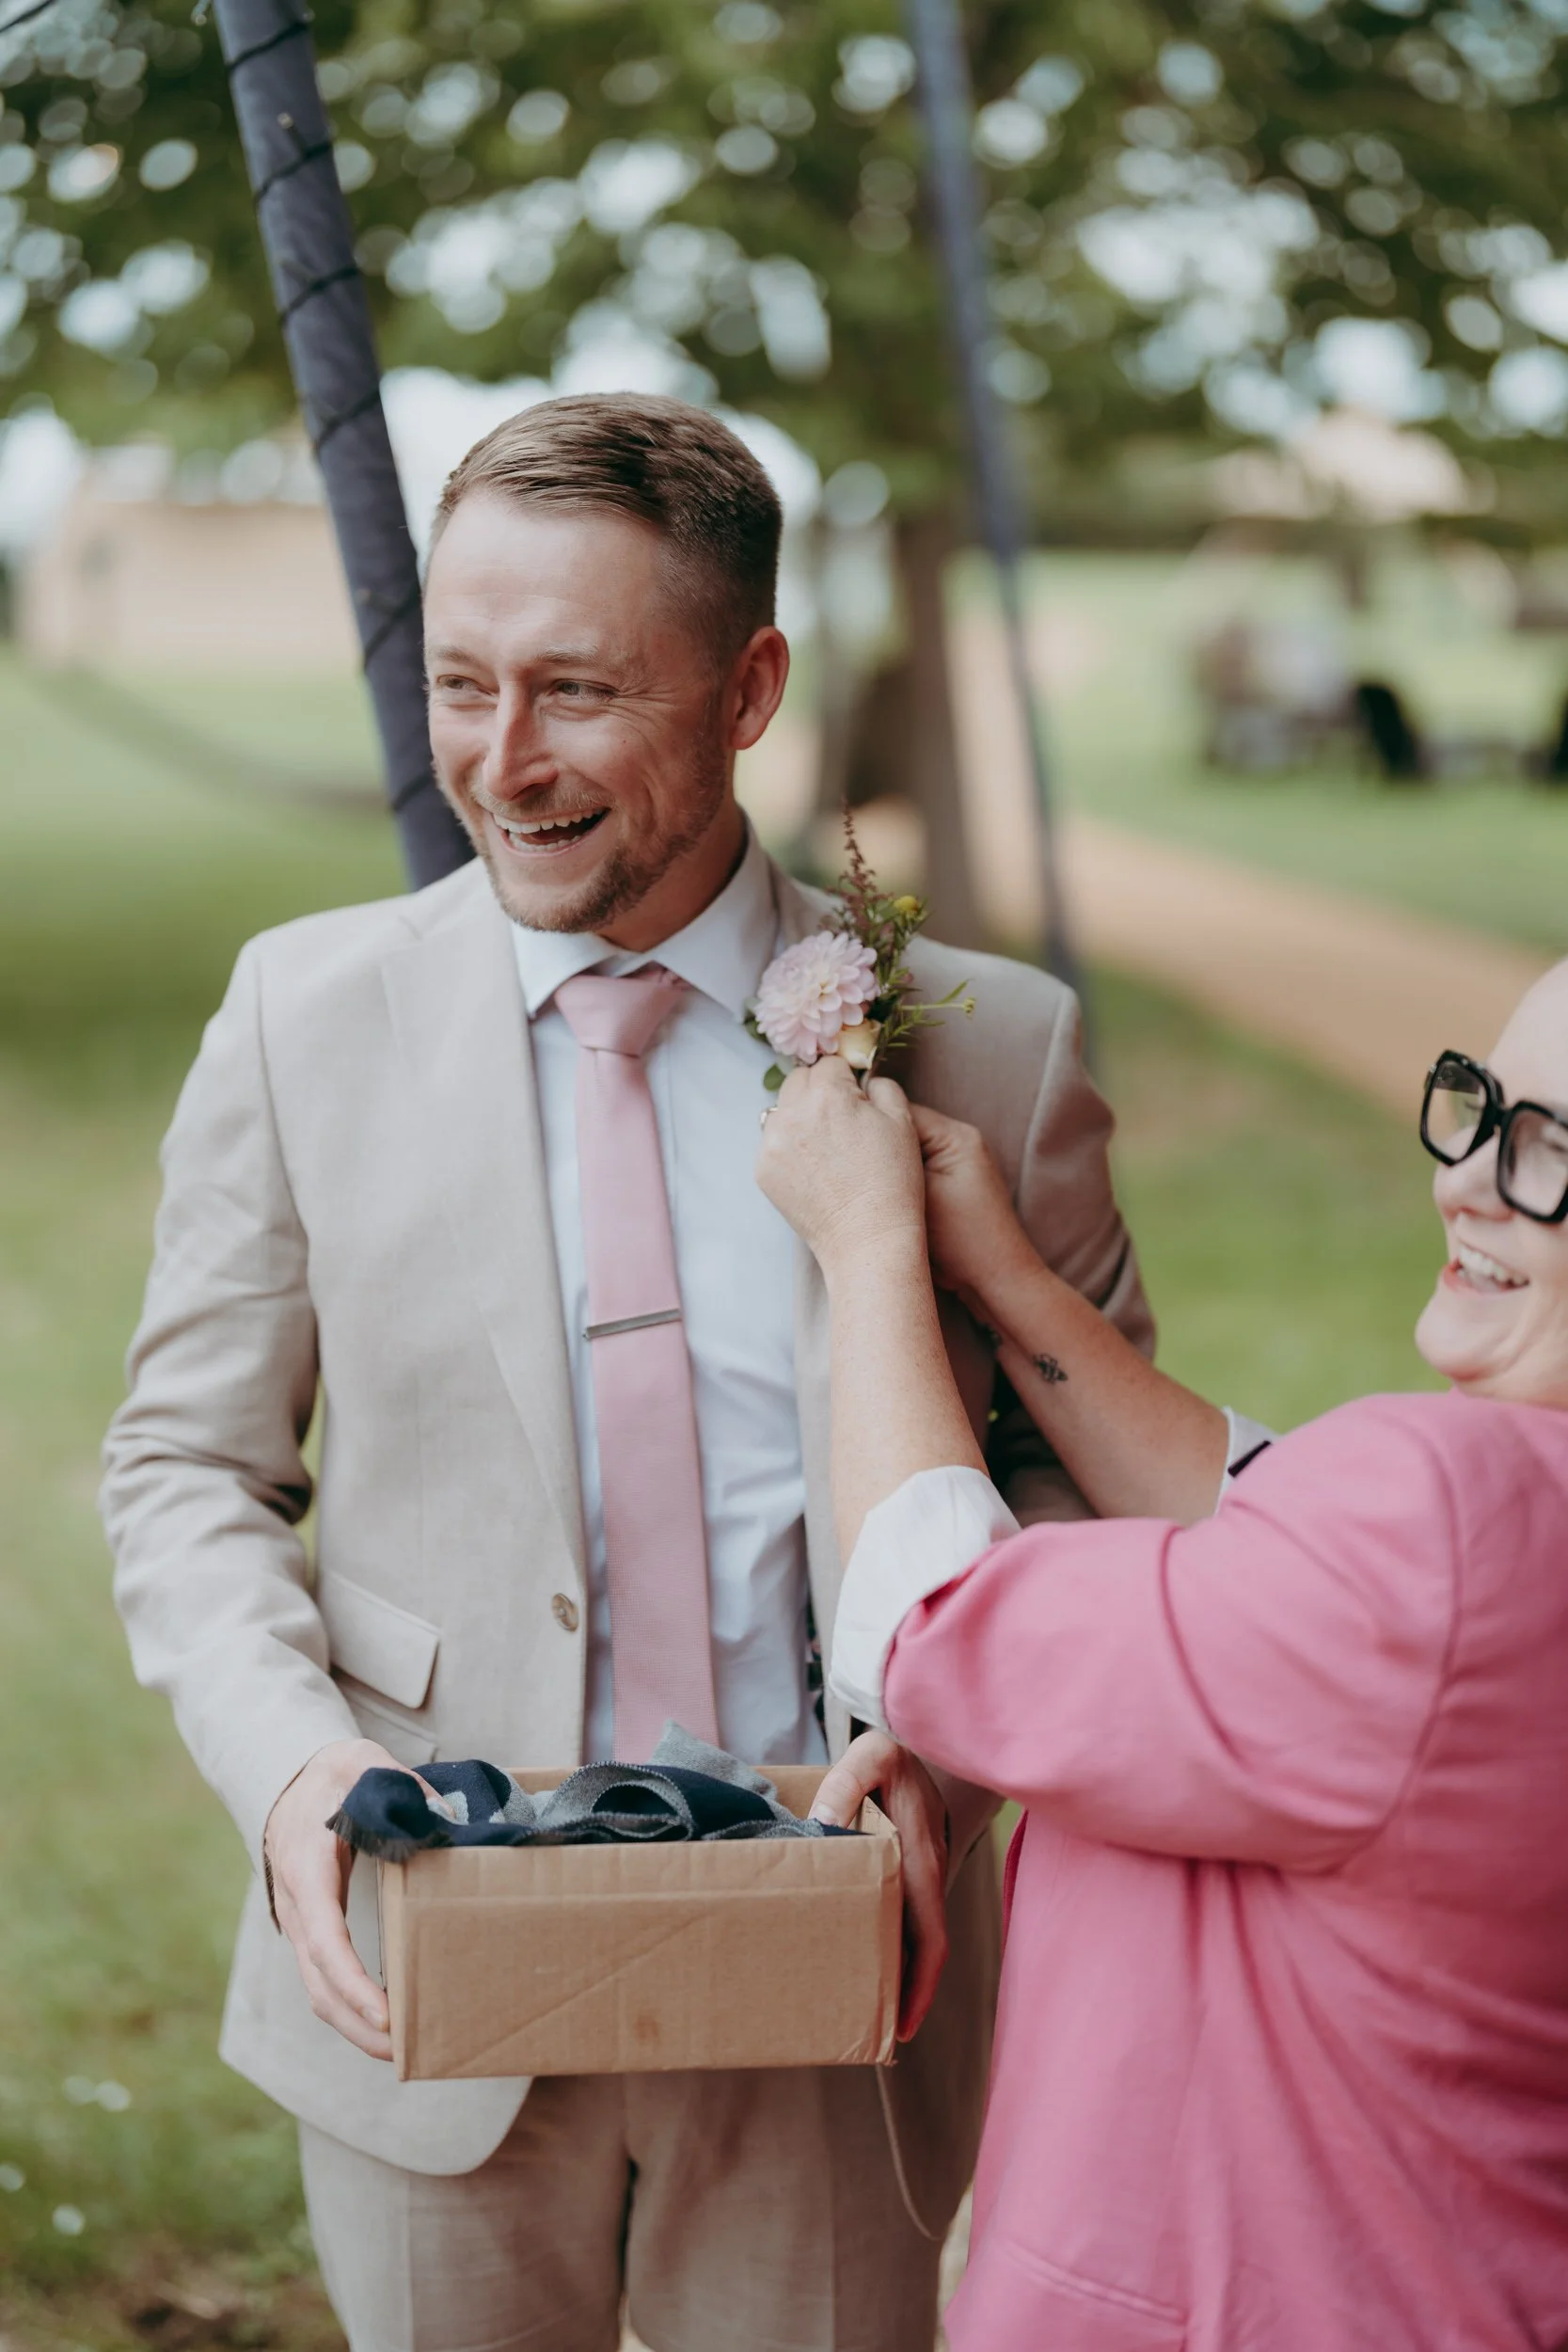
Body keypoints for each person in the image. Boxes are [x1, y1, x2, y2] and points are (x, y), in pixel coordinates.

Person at [101, 393, 1153, 2352]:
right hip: (424, 1983)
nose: (500, 761)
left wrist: (941, 1760)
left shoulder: (992, 1053)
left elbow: (1084, 1491)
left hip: (842, 1986)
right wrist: (295, 1769)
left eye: (576, 690)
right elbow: (185, 1468)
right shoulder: (298, 1015)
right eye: (461, 682)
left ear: (749, 688)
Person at [759, 962, 1568, 2352]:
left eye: (1548, 1151)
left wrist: (869, 1245)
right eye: (1480, 1110)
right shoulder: (1493, 1527)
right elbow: (1269, 1532)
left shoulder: (1449, 1521)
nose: (1464, 1183)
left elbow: (941, 1627)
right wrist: (1007, 1278)